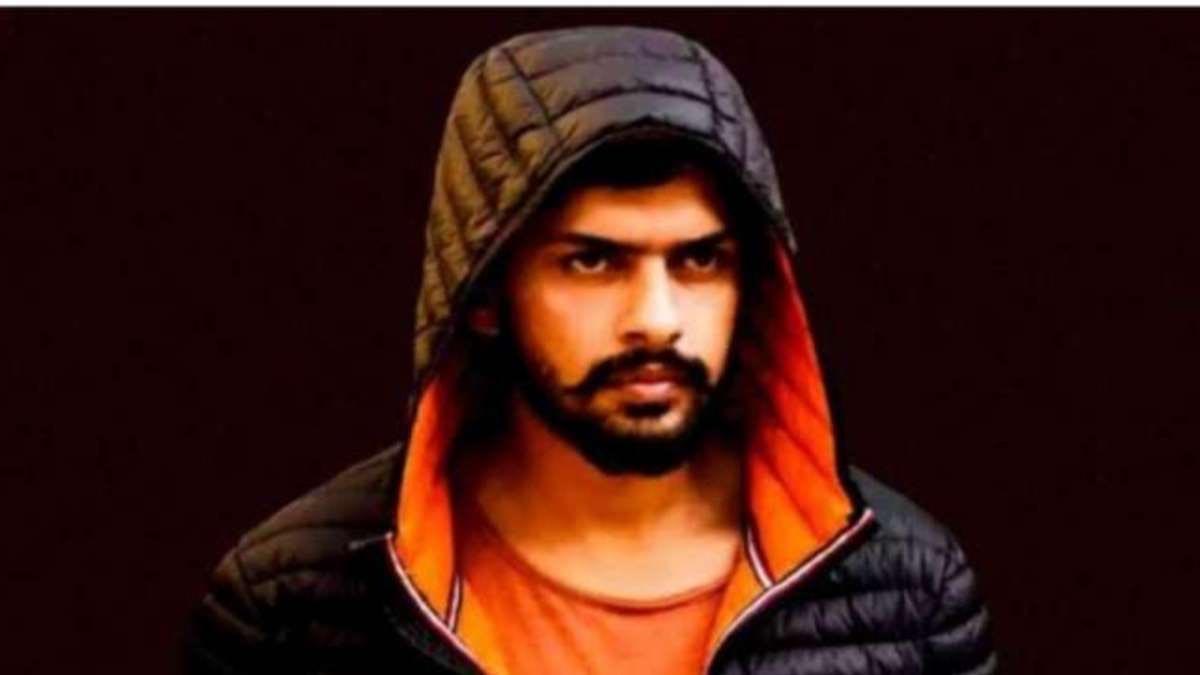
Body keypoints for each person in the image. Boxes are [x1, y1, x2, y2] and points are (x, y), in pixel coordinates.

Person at [185, 26, 996, 675]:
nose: (656, 320)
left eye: (700, 259)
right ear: (484, 295)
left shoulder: (909, 590)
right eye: (593, 261)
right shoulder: (290, 606)